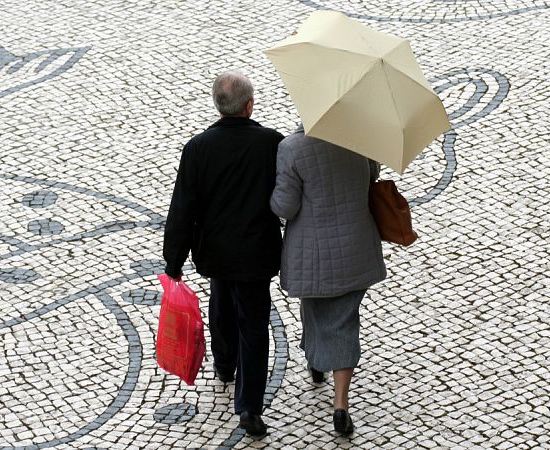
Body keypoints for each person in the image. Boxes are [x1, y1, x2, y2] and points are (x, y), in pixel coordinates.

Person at [163, 70, 284, 437]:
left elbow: (183, 206)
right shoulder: (271, 144)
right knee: (254, 325)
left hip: (215, 251)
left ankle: (224, 362)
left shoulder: (198, 148)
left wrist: (174, 259)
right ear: (249, 105)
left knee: (221, 299)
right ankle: (249, 406)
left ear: (218, 105)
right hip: (256, 252)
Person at [270, 125, 387, 436]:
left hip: (311, 253)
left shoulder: (292, 148)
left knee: (315, 307)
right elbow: (371, 176)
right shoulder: (360, 137)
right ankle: (340, 405)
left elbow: (285, 206)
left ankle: (317, 361)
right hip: (356, 248)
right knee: (345, 321)